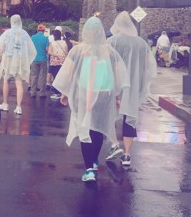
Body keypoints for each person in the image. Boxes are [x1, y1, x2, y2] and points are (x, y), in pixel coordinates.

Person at [53, 17, 128, 182]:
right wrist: (116, 97)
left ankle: (89, 170)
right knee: (98, 127)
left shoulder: (78, 51)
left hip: (84, 93)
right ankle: (93, 161)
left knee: (84, 129)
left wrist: (65, 93)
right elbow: (117, 76)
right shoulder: (110, 52)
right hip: (104, 94)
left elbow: (67, 74)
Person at [105, 11, 157, 167]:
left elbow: (106, 64)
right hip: (134, 86)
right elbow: (149, 65)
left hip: (115, 84)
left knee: (110, 115)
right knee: (130, 118)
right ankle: (127, 155)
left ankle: (114, 145)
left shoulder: (112, 41)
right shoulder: (141, 43)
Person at [0, 14, 36, 115]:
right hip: (20, 61)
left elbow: (1, 47)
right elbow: (31, 49)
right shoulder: (24, 34)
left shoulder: (7, 33)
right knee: (19, 83)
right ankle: (18, 107)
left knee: (6, 81)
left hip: (8, 60)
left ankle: (5, 104)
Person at [47, 29, 68, 100]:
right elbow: (66, 52)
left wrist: (57, 54)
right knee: (61, 78)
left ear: (54, 36)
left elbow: (49, 52)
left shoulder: (52, 43)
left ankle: (57, 93)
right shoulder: (64, 42)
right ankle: (61, 93)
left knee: (55, 78)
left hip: (54, 62)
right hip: (62, 62)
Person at [29, 24, 49, 98]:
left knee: (34, 76)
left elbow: (30, 48)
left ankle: (33, 92)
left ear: (37, 30)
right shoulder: (45, 38)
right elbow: (47, 49)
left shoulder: (32, 37)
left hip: (34, 59)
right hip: (43, 59)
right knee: (43, 76)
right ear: (44, 31)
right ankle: (42, 93)